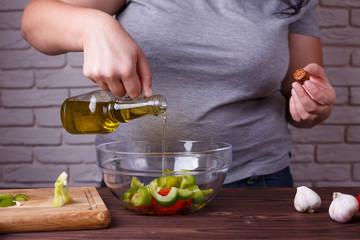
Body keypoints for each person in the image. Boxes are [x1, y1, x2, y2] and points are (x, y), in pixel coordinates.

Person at [21, 0, 336, 187]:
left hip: (255, 183)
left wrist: (315, 105)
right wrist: (91, 25)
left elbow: (300, 94)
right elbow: (34, 22)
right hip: (133, 183)